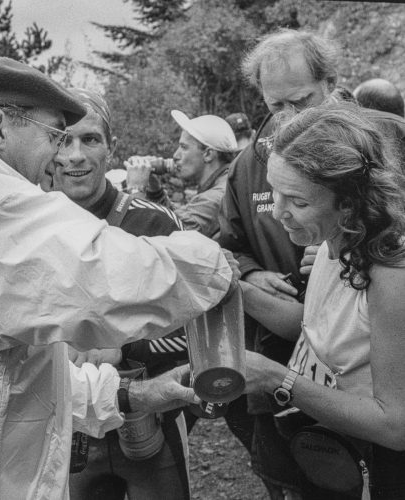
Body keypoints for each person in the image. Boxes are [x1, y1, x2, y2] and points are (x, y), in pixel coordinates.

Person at [0, 57, 239, 500]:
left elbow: (9, 369)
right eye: (53, 136)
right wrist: (214, 263)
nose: (61, 155)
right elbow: (110, 283)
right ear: (1, 127)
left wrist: (133, 396)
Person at [242, 102, 405, 499]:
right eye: (274, 193)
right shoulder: (334, 239)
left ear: (348, 202)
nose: (279, 213)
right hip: (336, 450)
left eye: (298, 201)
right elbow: (315, 325)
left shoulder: (391, 274)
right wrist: (233, 290)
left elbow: (395, 424)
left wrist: (277, 378)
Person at [41, 88, 192, 500]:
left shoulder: (153, 223)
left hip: (149, 421)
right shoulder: (28, 226)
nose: (74, 156)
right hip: (65, 427)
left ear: (111, 148)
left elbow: (197, 324)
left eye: (89, 139)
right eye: (62, 139)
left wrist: (122, 347)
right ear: (47, 147)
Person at [218, 28, 339, 499]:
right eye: (276, 106)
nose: (290, 118)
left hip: (364, 360)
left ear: (330, 82)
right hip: (281, 354)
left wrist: (344, 246)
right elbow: (230, 241)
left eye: (302, 101)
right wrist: (249, 271)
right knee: (292, 483)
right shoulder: (250, 164)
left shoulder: (379, 139)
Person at [125, 111, 238, 238]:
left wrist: (136, 190)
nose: (175, 155)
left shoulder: (217, 197)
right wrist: (155, 192)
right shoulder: (224, 184)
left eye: (184, 147)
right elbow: (172, 219)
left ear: (208, 154)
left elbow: (170, 234)